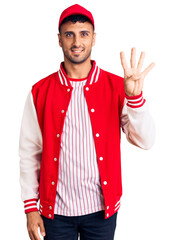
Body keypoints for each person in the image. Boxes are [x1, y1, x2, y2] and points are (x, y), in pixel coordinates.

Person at [19, 4, 155, 240]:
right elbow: (29, 152)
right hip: (55, 214)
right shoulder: (40, 92)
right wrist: (31, 208)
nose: (76, 42)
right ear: (59, 40)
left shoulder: (116, 87)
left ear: (94, 38)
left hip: (101, 212)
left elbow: (146, 140)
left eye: (84, 34)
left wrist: (134, 97)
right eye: (69, 34)